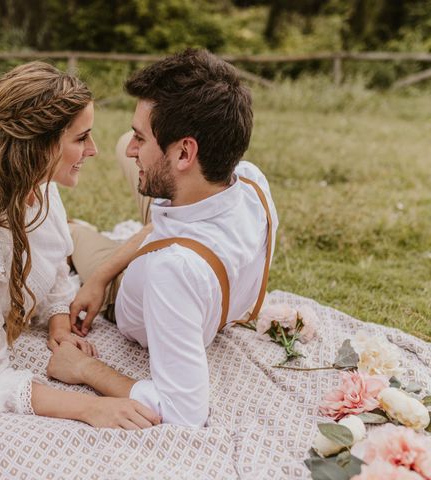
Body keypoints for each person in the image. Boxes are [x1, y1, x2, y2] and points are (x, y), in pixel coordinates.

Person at [0, 62, 160, 429]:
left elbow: (57, 260)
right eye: (81, 138)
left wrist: (59, 322)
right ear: (40, 147)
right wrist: (88, 408)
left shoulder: (42, 187)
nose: (92, 150)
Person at [47, 49, 279, 427]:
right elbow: (173, 228)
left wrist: (84, 367)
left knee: (67, 233)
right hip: (186, 208)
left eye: (142, 138)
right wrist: (100, 276)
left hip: (134, 287)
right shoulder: (251, 181)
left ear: (185, 151)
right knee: (131, 155)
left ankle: (78, 229)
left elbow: (184, 412)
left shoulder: (171, 272)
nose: (132, 148)